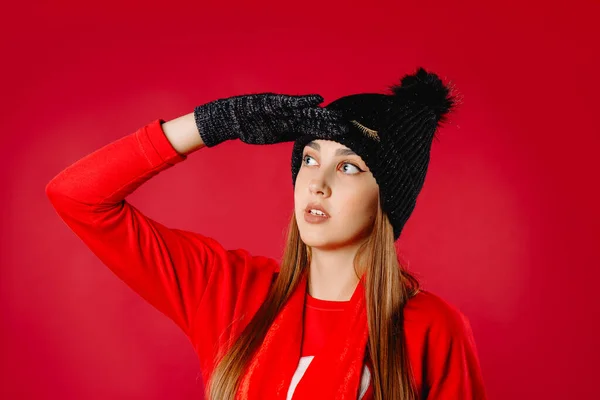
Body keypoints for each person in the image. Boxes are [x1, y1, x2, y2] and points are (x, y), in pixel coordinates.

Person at [46, 67, 488, 400]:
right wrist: (210, 125)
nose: (317, 183)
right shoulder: (227, 289)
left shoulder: (431, 328)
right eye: (310, 159)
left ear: (387, 200)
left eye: (349, 167)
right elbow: (76, 197)